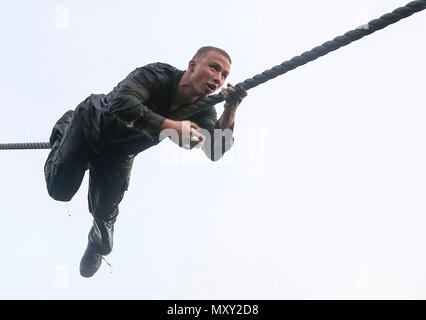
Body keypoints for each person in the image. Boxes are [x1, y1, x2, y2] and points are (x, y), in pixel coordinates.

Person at [44, 46, 247, 278]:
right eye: (214, 67)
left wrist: (230, 109)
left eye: (224, 75)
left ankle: (97, 244)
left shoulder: (203, 109)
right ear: (192, 65)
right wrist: (170, 127)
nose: (218, 78)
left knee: (105, 223)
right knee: (60, 190)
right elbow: (121, 102)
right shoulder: (157, 75)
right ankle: (64, 126)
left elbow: (215, 150)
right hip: (90, 125)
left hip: (119, 153)